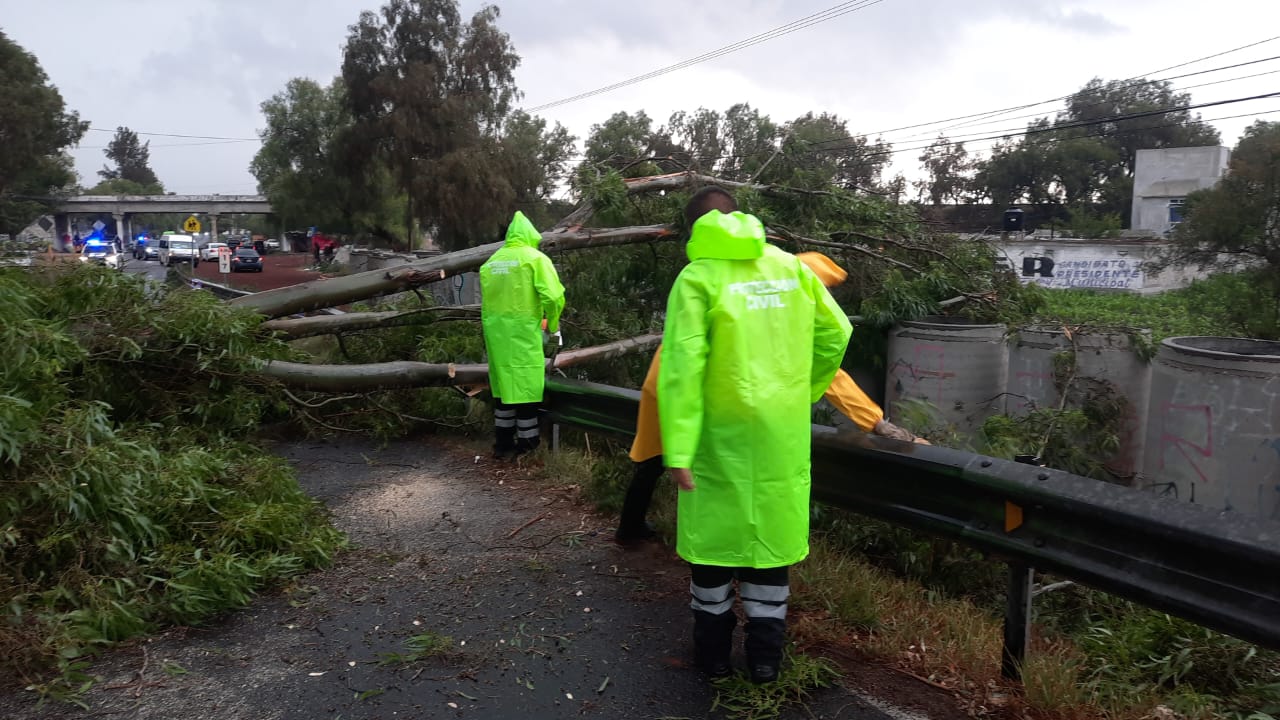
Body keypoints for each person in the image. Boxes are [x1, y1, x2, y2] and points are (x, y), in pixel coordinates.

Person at [658, 186, 852, 684]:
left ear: (696, 228)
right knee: (770, 545)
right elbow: (837, 333)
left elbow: (681, 368)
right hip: (779, 434)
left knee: (713, 548)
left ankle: (714, 659)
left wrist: (677, 447)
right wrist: (801, 389)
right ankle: (766, 660)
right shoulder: (791, 267)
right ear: (739, 216)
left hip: (714, 435)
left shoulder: (697, 277)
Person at [615, 251, 927, 544]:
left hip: (670, 381)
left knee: (656, 462)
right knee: (696, 470)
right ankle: (712, 555)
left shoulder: (747, 289)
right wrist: (876, 423)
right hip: (680, 387)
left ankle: (633, 530)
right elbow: (830, 376)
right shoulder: (773, 310)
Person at [479, 211, 566, 459]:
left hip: (496, 336)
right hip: (524, 333)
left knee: (503, 389)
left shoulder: (492, 262)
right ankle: (527, 445)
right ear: (530, 235)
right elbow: (554, 296)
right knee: (526, 389)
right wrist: (553, 324)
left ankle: (502, 445)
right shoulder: (535, 259)